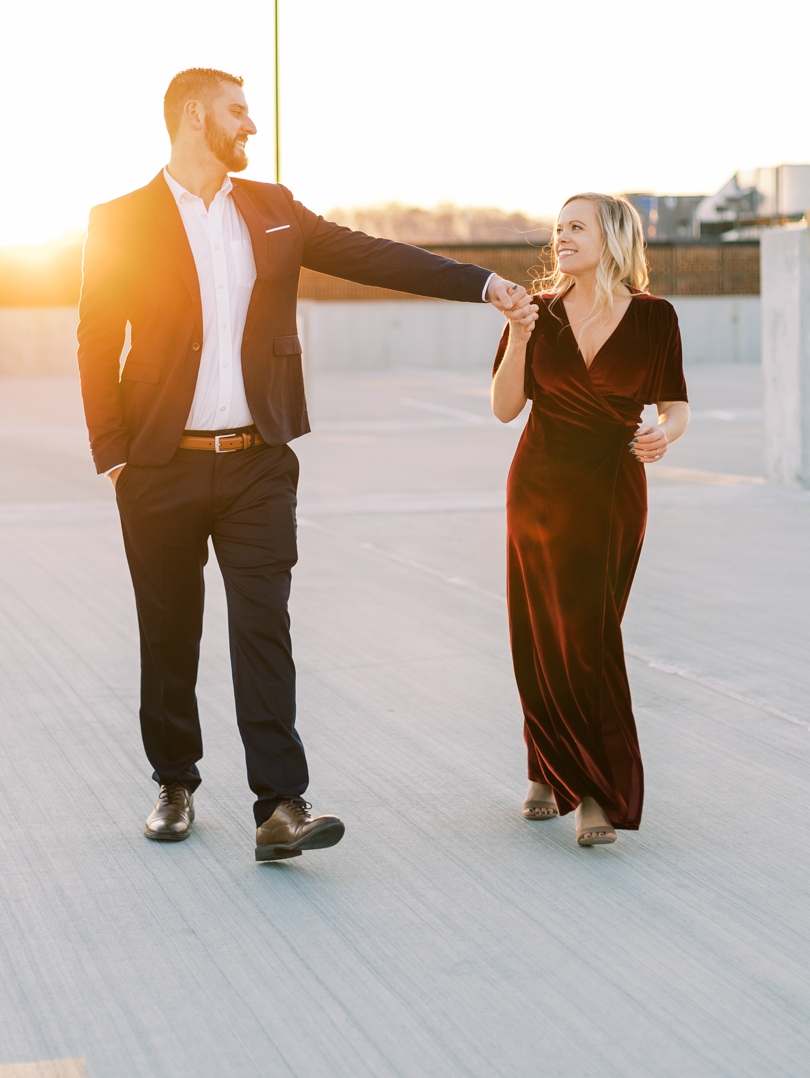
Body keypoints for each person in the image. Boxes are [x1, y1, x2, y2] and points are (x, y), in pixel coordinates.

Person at [78, 67, 537, 863]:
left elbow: (372, 256)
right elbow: (94, 338)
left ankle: (280, 805)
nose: (250, 125)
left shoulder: (273, 209)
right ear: (194, 116)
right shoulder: (119, 220)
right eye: (237, 111)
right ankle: (175, 782)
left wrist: (483, 283)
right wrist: (114, 456)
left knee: (265, 627)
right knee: (169, 629)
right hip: (160, 465)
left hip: (258, 460)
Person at [489, 193, 690, 847]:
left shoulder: (656, 318)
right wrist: (519, 335)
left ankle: (562, 770)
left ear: (612, 237)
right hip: (541, 487)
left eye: (577, 226)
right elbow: (503, 406)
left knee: (590, 636)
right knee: (542, 631)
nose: (562, 236)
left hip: (613, 491)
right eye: (559, 227)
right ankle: (583, 787)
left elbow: (676, 405)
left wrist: (666, 432)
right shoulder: (536, 313)